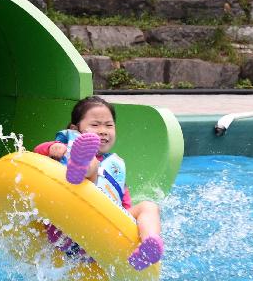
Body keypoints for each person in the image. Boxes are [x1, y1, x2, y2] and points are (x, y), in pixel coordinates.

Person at [33, 96, 164, 270]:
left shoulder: (115, 167)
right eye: (95, 125)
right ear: (75, 129)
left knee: (149, 206)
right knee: (92, 164)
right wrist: (52, 148)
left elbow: (123, 208)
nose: (103, 131)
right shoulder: (63, 149)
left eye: (109, 125)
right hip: (66, 225)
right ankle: (80, 168)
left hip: (101, 234)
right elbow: (35, 156)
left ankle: (149, 244)